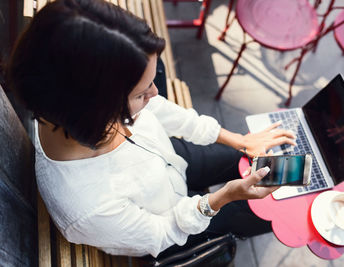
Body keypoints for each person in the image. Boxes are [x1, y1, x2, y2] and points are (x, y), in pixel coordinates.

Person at [6, 0, 296, 258]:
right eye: (141, 93)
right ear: (99, 108)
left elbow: (157, 108)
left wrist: (237, 140)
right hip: (174, 220)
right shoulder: (87, 206)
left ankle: (306, 173)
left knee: (254, 161)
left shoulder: (71, 107)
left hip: (168, 160)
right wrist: (220, 199)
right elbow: (162, 232)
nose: (155, 93)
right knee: (268, 211)